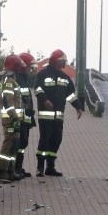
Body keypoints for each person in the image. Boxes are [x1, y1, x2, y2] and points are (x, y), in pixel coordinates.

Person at [34, 49, 83, 177]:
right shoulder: (42, 75)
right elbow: (38, 89)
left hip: (58, 116)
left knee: (56, 140)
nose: (64, 65)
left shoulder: (65, 77)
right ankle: (40, 167)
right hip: (45, 116)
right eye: (62, 62)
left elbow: (70, 94)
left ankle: (50, 167)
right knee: (45, 140)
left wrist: (78, 107)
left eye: (64, 62)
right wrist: (44, 100)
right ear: (54, 62)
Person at [0, 54, 25, 183]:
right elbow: (7, 102)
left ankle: (10, 171)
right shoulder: (8, 82)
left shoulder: (11, 81)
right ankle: (2, 171)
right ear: (15, 66)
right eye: (19, 66)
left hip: (15, 119)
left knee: (14, 145)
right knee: (9, 145)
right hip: (11, 119)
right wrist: (14, 118)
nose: (21, 69)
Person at [15, 52, 37, 178]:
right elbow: (15, 99)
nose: (30, 70)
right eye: (29, 67)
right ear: (23, 66)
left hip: (25, 117)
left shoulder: (23, 79)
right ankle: (14, 168)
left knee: (23, 143)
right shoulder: (16, 79)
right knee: (18, 143)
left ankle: (19, 167)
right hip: (19, 117)